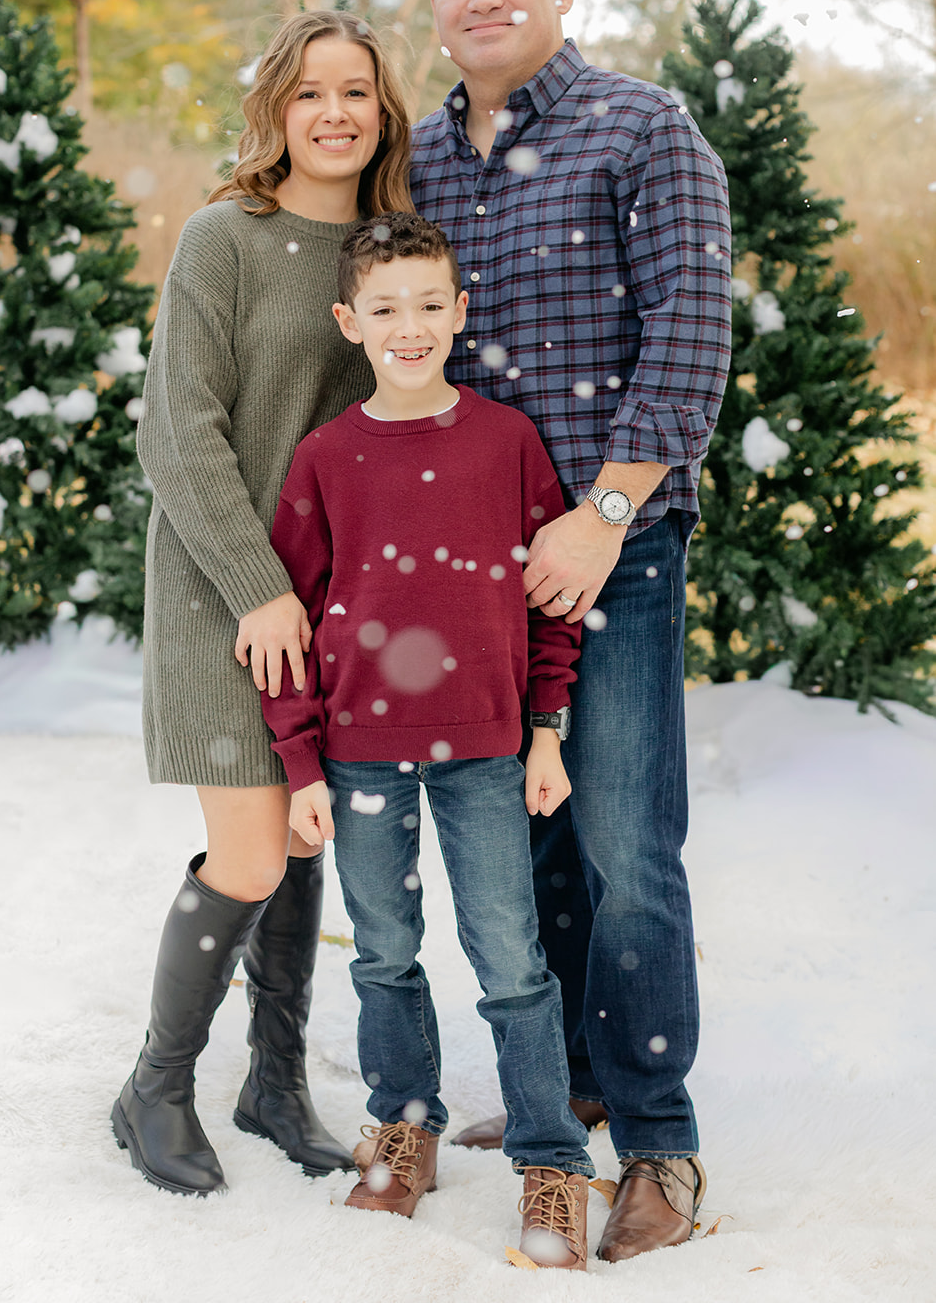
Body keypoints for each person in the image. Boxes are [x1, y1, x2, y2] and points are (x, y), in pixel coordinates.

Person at [409, 0, 733, 1262]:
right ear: (434, 7)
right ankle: (576, 1082)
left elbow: (688, 334)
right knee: (528, 830)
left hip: (614, 545)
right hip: (469, 563)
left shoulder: (639, 126)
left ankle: (658, 1140)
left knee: (619, 835)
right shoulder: (417, 159)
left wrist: (601, 512)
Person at [111, 10, 413, 1196]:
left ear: (382, 111)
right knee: (245, 854)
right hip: (219, 585)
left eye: (357, 92)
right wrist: (259, 588)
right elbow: (176, 435)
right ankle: (156, 1086)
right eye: (309, 93)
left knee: (299, 841)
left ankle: (273, 1081)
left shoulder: (389, 257)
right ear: (275, 109)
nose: (334, 113)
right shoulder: (222, 237)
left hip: (335, 605)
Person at [261, 211, 596, 1270]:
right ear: (348, 320)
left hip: (488, 752)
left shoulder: (506, 443)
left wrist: (547, 734)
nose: (409, 327)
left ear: (459, 310)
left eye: (427, 305)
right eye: (385, 308)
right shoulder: (324, 459)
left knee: (510, 958)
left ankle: (550, 1160)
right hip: (358, 756)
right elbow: (291, 622)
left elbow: (549, 609)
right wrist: (300, 765)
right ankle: (404, 1127)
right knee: (384, 951)